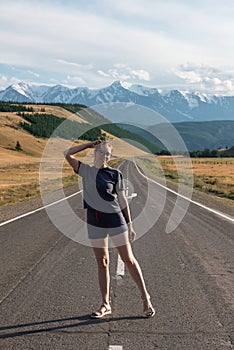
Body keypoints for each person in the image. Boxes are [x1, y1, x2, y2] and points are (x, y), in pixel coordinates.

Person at [64, 140, 155, 318]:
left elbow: (122, 201)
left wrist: (129, 225)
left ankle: (146, 299)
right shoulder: (86, 171)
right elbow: (67, 154)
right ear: (95, 152)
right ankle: (105, 304)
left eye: (108, 154)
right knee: (102, 262)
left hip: (115, 219)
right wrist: (88, 144)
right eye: (103, 153)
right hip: (94, 220)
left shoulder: (115, 173)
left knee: (128, 259)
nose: (106, 157)